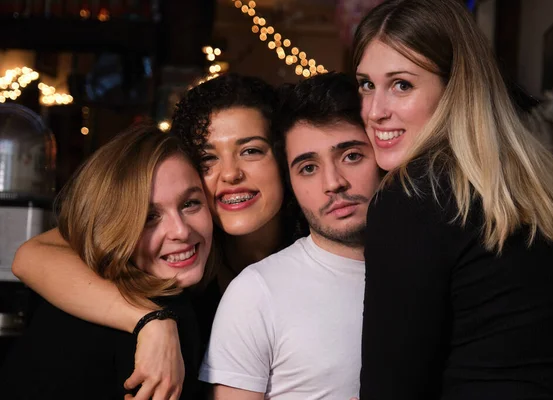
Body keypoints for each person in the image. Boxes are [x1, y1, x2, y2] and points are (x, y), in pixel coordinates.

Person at [11, 73, 306, 400]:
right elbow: (31, 256)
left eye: (251, 151)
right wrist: (150, 320)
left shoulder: (318, 252)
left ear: (283, 157)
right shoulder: (179, 268)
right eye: (208, 158)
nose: (231, 173)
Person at [352, 0, 553, 399]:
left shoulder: (412, 196)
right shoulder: (526, 188)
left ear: (454, 90)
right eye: (365, 84)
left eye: (402, 85)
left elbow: (391, 389)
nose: (374, 111)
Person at [199, 72, 381, 399]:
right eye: (308, 167)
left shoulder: (433, 269)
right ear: (291, 181)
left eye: (351, 156)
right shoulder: (254, 294)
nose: (333, 182)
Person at [0, 125, 215, 399]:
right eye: (149, 217)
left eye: (190, 204)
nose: (181, 231)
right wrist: (155, 320)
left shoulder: (87, 291)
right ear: (113, 227)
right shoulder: (166, 312)